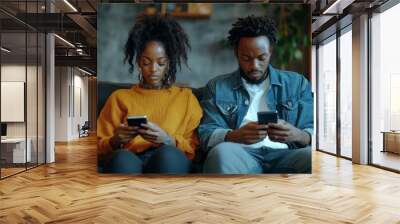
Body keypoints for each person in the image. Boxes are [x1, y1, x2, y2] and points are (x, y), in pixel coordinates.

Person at [198, 15, 313, 174]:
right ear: (236, 53)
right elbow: (206, 134)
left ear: (270, 52)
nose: (254, 66)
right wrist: (235, 135)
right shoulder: (217, 87)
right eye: (246, 58)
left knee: (312, 157)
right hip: (240, 153)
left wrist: (299, 135)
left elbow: (315, 131)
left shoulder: (297, 83)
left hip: (287, 154)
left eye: (261, 58)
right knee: (220, 154)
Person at [97, 14, 202, 174]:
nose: (153, 69)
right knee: (122, 159)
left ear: (169, 63)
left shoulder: (186, 99)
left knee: (168, 155)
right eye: (146, 62)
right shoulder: (119, 98)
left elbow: (193, 148)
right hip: (130, 159)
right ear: (139, 61)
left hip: (169, 160)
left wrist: (167, 140)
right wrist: (115, 141)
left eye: (161, 63)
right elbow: (97, 148)